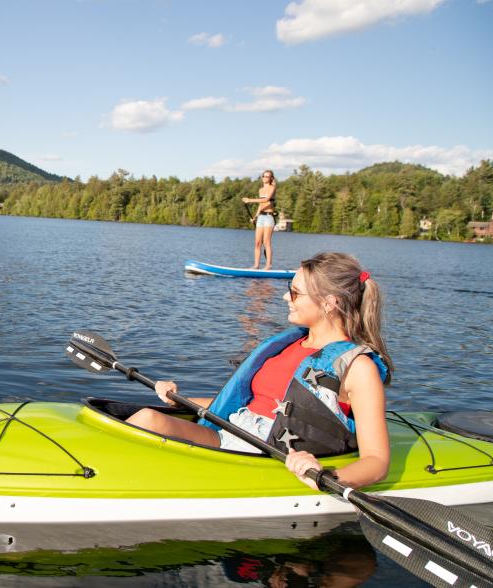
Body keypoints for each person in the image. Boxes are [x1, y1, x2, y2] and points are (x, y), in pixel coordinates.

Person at [126, 252, 393, 490]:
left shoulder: (359, 368)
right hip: (230, 435)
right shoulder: (290, 345)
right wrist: (179, 399)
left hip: (267, 457)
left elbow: (377, 461)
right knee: (150, 418)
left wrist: (327, 476)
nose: (285, 297)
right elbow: (257, 407)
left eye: (295, 292)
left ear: (329, 303)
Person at [242, 170, 277, 270]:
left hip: (269, 217)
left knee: (266, 242)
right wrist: (255, 217)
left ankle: (268, 266)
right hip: (261, 217)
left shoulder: (272, 188)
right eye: (264, 176)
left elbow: (266, 200)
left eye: (268, 176)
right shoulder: (260, 190)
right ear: (262, 177)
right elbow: (261, 204)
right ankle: (256, 265)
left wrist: (250, 200)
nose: (265, 178)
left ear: (271, 178)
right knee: (257, 243)